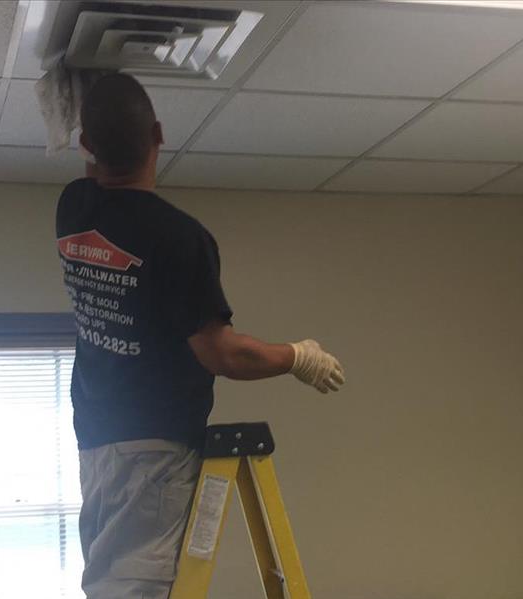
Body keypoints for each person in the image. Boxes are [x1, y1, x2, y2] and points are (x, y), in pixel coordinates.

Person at [55, 73, 345, 599]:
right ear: (159, 135)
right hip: (153, 448)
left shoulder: (73, 208)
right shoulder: (179, 238)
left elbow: (96, 168)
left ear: (86, 148)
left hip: (96, 438)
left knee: (107, 579)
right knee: (132, 591)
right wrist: (297, 357)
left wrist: (92, 106)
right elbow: (222, 353)